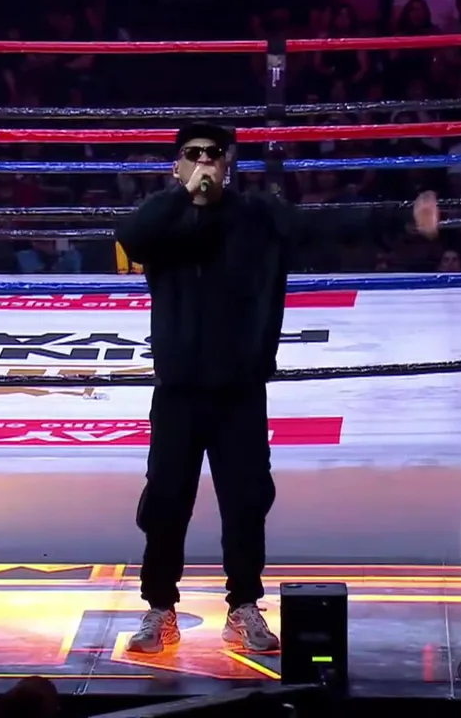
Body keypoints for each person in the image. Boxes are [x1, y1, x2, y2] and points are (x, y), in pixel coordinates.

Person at [115, 122, 439, 653]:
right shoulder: (164, 220)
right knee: (167, 501)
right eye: (193, 154)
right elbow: (131, 235)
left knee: (246, 500)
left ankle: (243, 605)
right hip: (178, 390)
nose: (204, 162)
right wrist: (182, 196)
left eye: (214, 154)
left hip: (240, 389)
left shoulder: (257, 216)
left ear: (229, 164)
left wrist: (401, 218)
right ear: (177, 165)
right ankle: (159, 608)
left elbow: (326, 225)